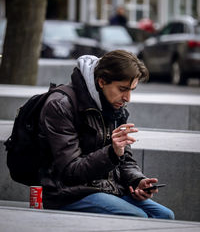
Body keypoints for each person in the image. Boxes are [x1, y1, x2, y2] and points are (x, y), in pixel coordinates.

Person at [38, 50, 174, 219]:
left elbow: (126, 160)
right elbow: (70, 171)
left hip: (108, 188)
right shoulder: (60, 105)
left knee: (165, 216)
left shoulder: (115, 107)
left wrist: (137, 181)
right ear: (101, 81)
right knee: (136, 216)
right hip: (68, 193)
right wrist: (111, 152)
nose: (128, 98)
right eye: (123, 89)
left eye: (132, 90)